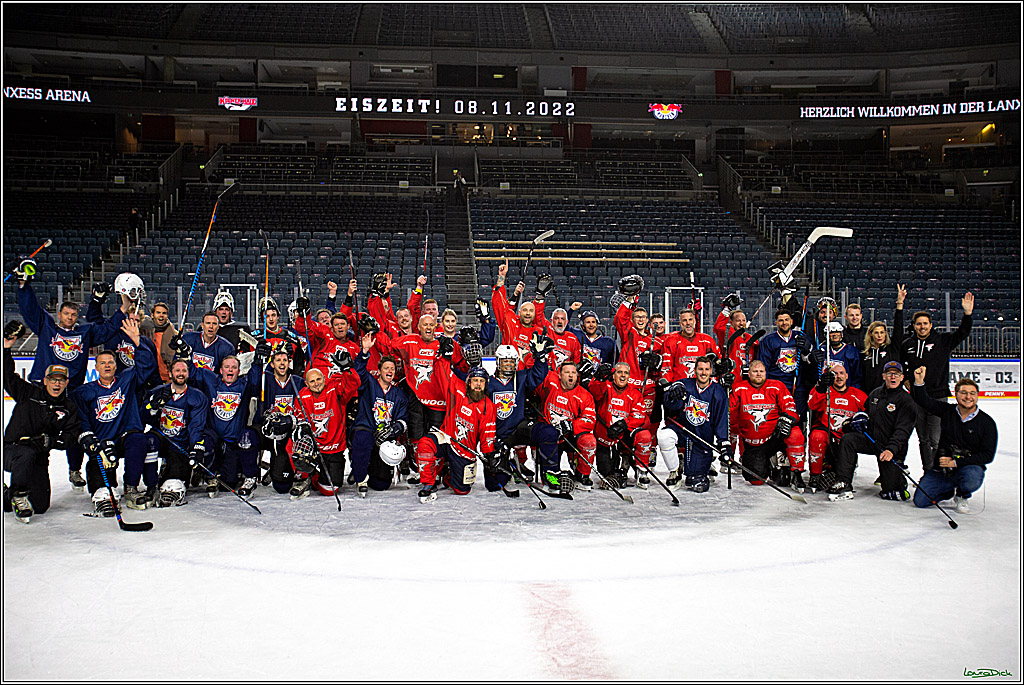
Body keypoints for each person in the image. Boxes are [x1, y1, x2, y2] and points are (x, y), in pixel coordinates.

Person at [16, 266, 126, 489]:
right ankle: (33, 472)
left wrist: (123, 309)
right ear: (59, 315)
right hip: (42, 389)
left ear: (77, 317)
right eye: (66, 314)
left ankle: (74, 469)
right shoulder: (46, 327)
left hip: (72, 391)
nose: (70, 317)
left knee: (76, 431)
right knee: (38, 432)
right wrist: (23, 285)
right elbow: (30, 309)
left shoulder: (84, 333)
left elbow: (108, 329)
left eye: (74, 314)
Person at [72, 317, 157, 514]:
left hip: (124, 436)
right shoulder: (84, 392)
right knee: (99, 470)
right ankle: (102, 492)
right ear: (96, 368)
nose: (108, 366)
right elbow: (81, 419)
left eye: (111, 362)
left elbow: (146, 366)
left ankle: (131, 487)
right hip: (102, 442)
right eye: (103, 363)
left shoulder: (127, 379)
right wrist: (90, 439)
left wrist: (138, 342)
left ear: (116, 365)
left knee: (139, 440)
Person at [3, 321, 81, 523]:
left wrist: (51, 442)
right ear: (45, 380)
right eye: (53, 379)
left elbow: (71, 436)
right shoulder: (28, 392)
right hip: (11, 450)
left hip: (38, 456)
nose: (57, 383)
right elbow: (7, 377)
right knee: (25, 454)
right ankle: (18, 495)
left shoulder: (68, 407)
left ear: (66, 383)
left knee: (40, 507)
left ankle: (7, 494)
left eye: (61, 380)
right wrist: (5, 348)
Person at [900, 292, 974, 473]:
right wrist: (908, 380)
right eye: (919, 324)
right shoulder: (907, 344)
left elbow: (962, 333)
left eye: (925, 323)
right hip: (917, 399)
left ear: (931, 325)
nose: (922, 326)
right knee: (923, 439)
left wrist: (967, 315)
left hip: (938, 398)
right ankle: (928, 473)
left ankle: (939, 473)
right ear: (914, 326)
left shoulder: (942, 341)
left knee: (935, 439)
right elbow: (902, 364)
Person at [910, 368, 997, 514]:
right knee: (921, 501)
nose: (968, 397)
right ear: (956, 394)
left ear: (977, 396)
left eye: (972, 393)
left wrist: (956, 462)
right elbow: (924, 401)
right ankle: (947, 491)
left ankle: (963, 494)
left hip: (967, 467)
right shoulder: (947, 411)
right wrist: (919, 382)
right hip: (942, 469)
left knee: (972, 477)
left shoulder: (986, 423)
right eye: (963, 393)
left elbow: (987, 455)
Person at [828, 361, 916, 502]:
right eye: (889, 374)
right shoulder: (875, 394)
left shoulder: (906, 400)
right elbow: (865, 414)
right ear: (883, 376)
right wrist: (853, 423)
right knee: (848, 440)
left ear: (901, 377)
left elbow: (903, 431)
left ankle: (898, 479)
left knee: (891, 491)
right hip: (872, 440)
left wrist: (891, 450)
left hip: (890, 448)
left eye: (896, 374)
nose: (893, 377)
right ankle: (843, 481)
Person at [414, 360, 498, 503]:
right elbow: (443, 372)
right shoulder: (457, 389)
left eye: (482, 381)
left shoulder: (488, 407)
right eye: (475, 380)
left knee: (462, 490)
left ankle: (448, 474)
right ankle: (429, 483)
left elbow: (487, 434)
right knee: (425, 444)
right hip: (446, 437)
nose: (478, 384)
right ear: (468, 382)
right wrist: (444, 358)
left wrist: (489, 453)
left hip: (464, 450)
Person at [141, 358, 210, 507]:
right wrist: (153, 407)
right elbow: (143, 417)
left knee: (175, 481)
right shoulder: (157, 392)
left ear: (188, 374)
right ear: (170, 373)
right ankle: (151, 485)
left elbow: (196, 426)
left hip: (180, 443)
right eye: (177, 370)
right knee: (148, 441)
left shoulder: (197, 397)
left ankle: (169, 472)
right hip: (161, 437)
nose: (181, 374)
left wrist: (195, 447)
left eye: (184, 371)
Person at [728, 360, 806, 489]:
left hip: (775, 438)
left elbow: (790, 407)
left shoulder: (777, 386)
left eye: (761, 371)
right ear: (749, 373)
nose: (758, 374)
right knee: (755, 480)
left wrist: (786, 419)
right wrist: (726, 388)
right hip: (753, 444)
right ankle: (771, 465)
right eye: (755, 371)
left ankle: (796, 473)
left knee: (795, 433)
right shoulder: (738, 388)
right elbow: (728, 411)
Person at [290, 358, 361, 499]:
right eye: (312, 381)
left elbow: (353, 384)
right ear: (306, 383)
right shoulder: (302, 396)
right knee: (295, 441)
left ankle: (314, 477)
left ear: (324, 378)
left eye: (318, 379)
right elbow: (299, 417)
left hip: (334, 447)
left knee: (330, 489)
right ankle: (302, 476)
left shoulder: (334, 390)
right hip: (314, 447)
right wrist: (303, 427)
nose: (316, 383)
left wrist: (348, 369)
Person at [349, 332, 408, 496]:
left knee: (381, 483)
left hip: (385, 436)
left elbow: (403, 419)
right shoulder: (369, 383)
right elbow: (358, 372)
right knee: (362, 438)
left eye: (392, 368)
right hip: (366, 428)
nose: (389, 371)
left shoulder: (399, 394)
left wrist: (394, 428)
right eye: (386, 368)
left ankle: (368, 468)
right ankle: (360, 477)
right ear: (379, 371)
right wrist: (365, 352)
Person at [658, 357, 729, 492]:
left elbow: (721, 419)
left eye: (707, 369)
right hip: (682, 431)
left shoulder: (717, 391)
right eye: (700, 369)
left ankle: (699, 467)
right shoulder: (684, 384)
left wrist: (723, 442)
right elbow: (670, 404)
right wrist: (672, 394)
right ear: (695, 370)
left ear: (711, 371)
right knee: (664, 436)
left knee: (696, 481)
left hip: (702, 438)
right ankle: (675, 471)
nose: (703, 373)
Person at [585, 362, 653, 489]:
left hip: (624, 436)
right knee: (607, 475)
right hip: (604, 437)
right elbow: (594, 391)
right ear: (613, 375)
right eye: (619, 372)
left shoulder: (635, 394)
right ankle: (617, 466)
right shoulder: (606, 387)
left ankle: (641, 470)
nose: (623, 375)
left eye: (626, 373)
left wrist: (624, 424)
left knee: (644, 435)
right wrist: (599, 377)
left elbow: (639, 416)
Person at [536, 360, 598, 492]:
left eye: (573, 373)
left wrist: (571, 425)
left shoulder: (584, 395)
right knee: (552, 470)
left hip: (571, 437)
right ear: (559, 375)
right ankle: (549, 474)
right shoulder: (550, 383)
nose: (571, 376)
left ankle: (582, 474)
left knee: (589, 441)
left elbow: (590, 419)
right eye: (567, 372)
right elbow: (534, 378)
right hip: (550, 437)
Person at [805, 364, 867, 493]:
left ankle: (838, 471)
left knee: (838, 472)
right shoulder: (824, 391)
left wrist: (862, 418)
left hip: (845, 440)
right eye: (835, 374)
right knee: (817, 436)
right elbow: (812, 404)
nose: (839, 377)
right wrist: (821, 387)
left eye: (841, 373)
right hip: (827, 433)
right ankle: (815, 475)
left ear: (847, 376)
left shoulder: (858, 395)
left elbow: (870, 413)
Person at [253, 349, 304, 492]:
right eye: (278, 360)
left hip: (288, 433)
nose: (282, 363)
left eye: (285, 360)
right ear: (272, 364)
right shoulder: (265, 378)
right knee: (248, 438)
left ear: (289, 363)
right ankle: (249, 476)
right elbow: (252, 381)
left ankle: (278, 469)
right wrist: (257, 361)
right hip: (267, 430)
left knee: (283, 487)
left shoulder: (297, 381)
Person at [756, 309, 813, 418]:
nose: (784, 323)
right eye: (780, 320)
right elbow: (764, 366)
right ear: (776, 323)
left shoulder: (801, 337)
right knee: (776, 418)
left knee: (797, 418)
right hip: (776, 386)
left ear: (791, 321)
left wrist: (807, 348)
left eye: (786, 320)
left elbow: (811, 359)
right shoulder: (768, 341)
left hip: (797, 386)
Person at [492, 258, 547, 369]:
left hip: (529, 377)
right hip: (508, 371)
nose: (528, 313)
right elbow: (500, 306)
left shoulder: (539, 332)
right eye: (525, 310)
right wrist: (502, 279)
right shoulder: (511, 323)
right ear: (519, 312)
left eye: (531, 311)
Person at [861, 285, 906, 394]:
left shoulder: (892, 349)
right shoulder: (864, 354)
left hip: (890, 394)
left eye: (882, 332)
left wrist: (899, 304)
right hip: (870, 395)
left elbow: (898, 330)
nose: (879, 335)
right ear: (871, 334)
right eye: (876, 333)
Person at [660, 308, 720, 383]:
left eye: (690, 319)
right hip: (680, 387)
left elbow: (718, 363)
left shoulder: (707, 340)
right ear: (680, 323)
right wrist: (669, 386)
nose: (688, 323)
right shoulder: (671, 340)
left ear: (694, 321)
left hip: (702, 387)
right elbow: (666, 367)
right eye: (685, 320)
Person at [810, 321, 863, 390]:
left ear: (841, 334)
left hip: (844, 391)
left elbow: (857, 377)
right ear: (826, 335)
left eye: (837, 332)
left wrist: (851, 392)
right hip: (825, 389)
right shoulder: (821, 350)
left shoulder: (852, 351)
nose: (834, 335)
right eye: (831, 332)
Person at [147, 301, 178, 383]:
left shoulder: (175, 335)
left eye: (164, 313)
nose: (161, 315)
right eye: (158, 312)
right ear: (152, 315)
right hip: (149, 378)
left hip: (168, 379)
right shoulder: (146, 333)